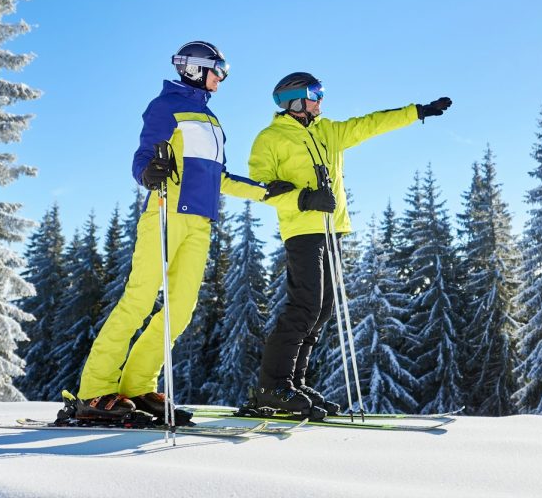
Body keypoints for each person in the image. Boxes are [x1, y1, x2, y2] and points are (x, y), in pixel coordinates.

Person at [74, 41, 295, 422]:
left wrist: (265, 192)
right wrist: (147, 173)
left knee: (180, 310)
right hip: (167, 211)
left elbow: (218, 177)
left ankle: (137, 386)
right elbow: (144, 155)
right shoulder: (166, 105)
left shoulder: (211, 120)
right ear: (194, 68)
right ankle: (94, 390)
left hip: (200, 221)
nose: (222, 77)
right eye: (218, 69)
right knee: (139, 300)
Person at [247, 71, 452, 415]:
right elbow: (261, 186)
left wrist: (417, 112)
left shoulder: (329, 131)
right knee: (305, 306)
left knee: (323, 309)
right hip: (302, 230)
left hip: (333, 230)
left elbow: (371, 124)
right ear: (294, 101)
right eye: (315, 94)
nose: (321, 100)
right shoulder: (270, 138)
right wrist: (305, 198)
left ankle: (293, 384)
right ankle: (272, 385)